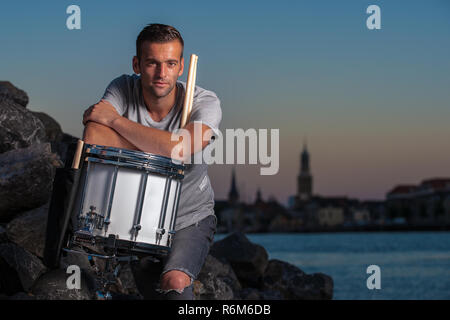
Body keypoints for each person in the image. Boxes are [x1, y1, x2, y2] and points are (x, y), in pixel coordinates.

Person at [82, 23, 222, 300]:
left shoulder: (203, 100)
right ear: (137, 64)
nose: (161, 73)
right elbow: (93, 137)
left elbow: (183, 149)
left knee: (175, 282)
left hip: (189, 217)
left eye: (170, 64)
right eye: (152, 63)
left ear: (181, 67)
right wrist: (164, 148)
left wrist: (115, 122)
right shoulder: (122, 88)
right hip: (135, 216)